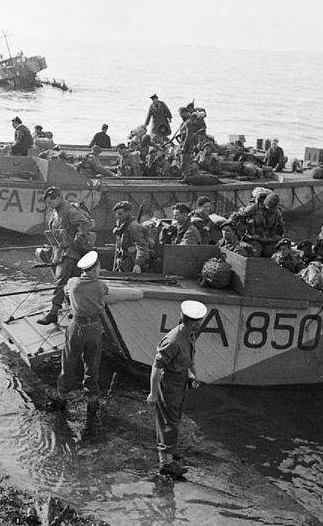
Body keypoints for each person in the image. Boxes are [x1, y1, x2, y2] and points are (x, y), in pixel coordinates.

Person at [147, 300, 207, 477]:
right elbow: (156, 367)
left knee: (175, 416)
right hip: (170, 382)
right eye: (199, 321)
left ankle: (169, 451)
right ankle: (166, 463)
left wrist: (195, 374)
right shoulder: (173, 340)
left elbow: (190, 359)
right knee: (169, 421)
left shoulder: (189, 335)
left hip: (181, 380)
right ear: (193, 323)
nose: (200, 324)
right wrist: (153, 393)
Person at [47, 251, 108, 414]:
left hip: (77, 327)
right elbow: (104, 295)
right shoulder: (101, 285)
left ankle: (62, 396)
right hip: (94, 327)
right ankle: (93, 400)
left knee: (68, 362)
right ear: (95, 269)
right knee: (92, 364)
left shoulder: (73, 283)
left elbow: (67, 292)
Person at [37, 187, 93, 325]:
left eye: (51, 202)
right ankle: (74, 310)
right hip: (61, 251)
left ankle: (53, 312)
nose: (49, 206)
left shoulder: (69, 210)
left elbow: (85, 223)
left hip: (70, 252)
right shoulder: (58, 211)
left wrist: (77, 240)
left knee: (60, 281)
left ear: (58, 198)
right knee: (73, 283)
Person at [240, 191, 285, 257]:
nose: (270, 211)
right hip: (253, 238)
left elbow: (281, 230)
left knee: (273, 253)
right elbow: (239, 215)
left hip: (269, 239)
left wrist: (272, 238)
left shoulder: (277, 213)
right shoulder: (254, 208)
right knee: (255, 253)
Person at [112, 201, 149, 273]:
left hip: (132, 264)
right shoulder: (121, 226)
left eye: (120, 214)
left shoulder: (134, 227)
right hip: (122, 262)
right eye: (116, 214)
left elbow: (142, 246)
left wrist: (138, 264)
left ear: (127, 213)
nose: (117, 216)